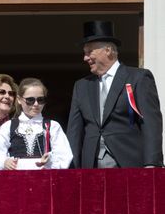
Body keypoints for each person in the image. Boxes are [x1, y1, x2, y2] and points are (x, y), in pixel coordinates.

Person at [67, 20, 163, 168]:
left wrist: (152, 163)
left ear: (108, 50)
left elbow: (151, 123)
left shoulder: (139, 78)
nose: (85, 58)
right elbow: (75, 131)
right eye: (84, 53)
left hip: (129, 163)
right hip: (91, 167)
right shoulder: (81, 86)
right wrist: (71, 167)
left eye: (89, 52)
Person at [0, 78, 73, 170]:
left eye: (40, 100)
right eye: (30, 100)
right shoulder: (8, 126)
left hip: (45, 180)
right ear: (19, 99)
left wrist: (50, 161)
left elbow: (65, 156)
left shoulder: (53, 126)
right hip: (15, 181)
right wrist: (4, 162)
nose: (36, 104)